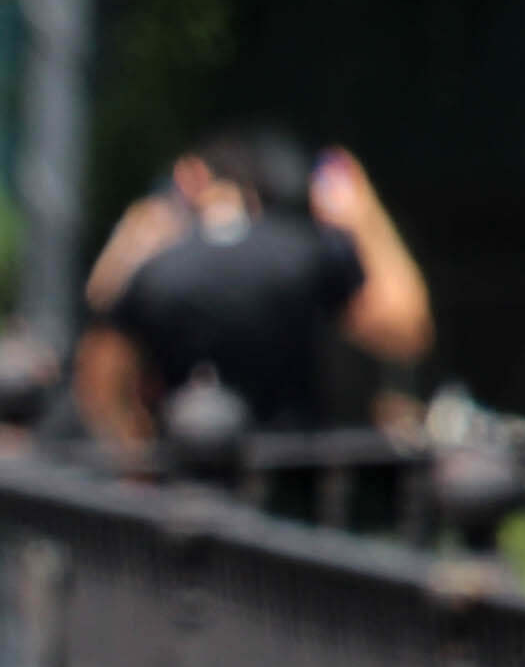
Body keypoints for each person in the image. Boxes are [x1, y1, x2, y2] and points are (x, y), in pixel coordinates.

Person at [75, 128, 433, 446]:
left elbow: (100, 378)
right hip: (285, 484)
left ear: (192, 178)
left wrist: (135, 455)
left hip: (179, 482)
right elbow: (405, 330)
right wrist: (362, 213)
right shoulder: (306, 252)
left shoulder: (157, 267)